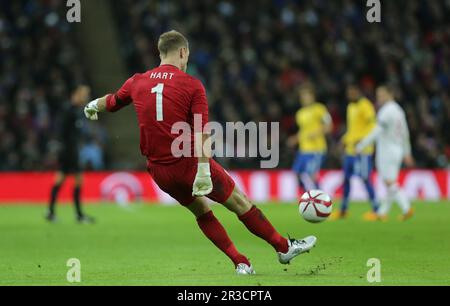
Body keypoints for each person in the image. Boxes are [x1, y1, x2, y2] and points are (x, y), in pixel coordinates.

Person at [83, 30, 316, 275]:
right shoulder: (192, 84)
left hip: (159, 171)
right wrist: (203, 170)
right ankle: (283, 247)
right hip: (189, 163)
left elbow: (112, 102)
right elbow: (201, 131)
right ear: (183, 52)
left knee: (202, 212)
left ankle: (241, 262)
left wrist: (92, 105)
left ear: (160, 53)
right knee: (240, 202)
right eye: (186, 56)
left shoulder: (137, 81)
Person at [356, 86, 415, 221]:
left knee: (389, 182)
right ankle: (382, 213)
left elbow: (377, 131)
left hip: (387, 150)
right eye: (378, 95)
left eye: (382, 95)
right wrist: (407, 152)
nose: (379, 98)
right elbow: (405, 133)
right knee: (390, 181)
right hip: (398, 149)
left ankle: (406, 208)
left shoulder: (386, 111)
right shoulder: (399, 110)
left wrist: (361, 145)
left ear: (390, 94)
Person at [47, 85, 95, 224]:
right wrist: (65, 148)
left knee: (60, 179)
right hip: (69, 150)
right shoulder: (69, 110)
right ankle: (79, 215)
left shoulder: (77, 110)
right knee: (78, 179)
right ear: (77, 94)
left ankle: (50, 212)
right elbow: (62, 131)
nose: (86, 97)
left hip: (69, 149)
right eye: (84, 94)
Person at [331, 85, 379, 221]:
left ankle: (377, 209)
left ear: (359, 92)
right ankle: (343, 209)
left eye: (353, 92)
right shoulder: (351, 107)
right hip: (350, 150)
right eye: (349, 93)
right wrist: (344, 140)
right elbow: (352, 129)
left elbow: (372, 125)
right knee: (346, 178)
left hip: (363, 150)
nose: (350, 95)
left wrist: (362, 139)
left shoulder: (366, 105)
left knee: (365, 178)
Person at [289, 83, 332, 193]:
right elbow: (303, 131)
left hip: (317, 148)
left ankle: (321, 198)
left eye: (307, 96)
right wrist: (295, 138)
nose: (305, 99)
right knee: (297, 173)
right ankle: (305, 195)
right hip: (303, 149)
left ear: (312, 97)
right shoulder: (300, 113)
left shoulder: (319, 109)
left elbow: (329, 126)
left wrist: (317, 133)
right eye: (303, 96)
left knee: (312, 174)